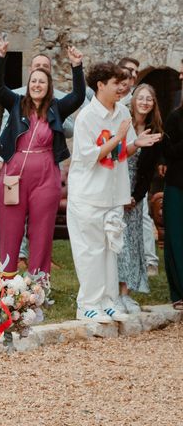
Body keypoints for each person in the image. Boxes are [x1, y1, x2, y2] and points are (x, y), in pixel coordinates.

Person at [67, 62, 161, 324]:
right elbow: (89, 156)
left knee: (111, 248)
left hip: (112, 194)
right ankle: (87, 303)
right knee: (91, 250)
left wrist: (135, 144)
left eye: (123, 83)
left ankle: (108, 300)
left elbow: (121, 152)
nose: (122, 88)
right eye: (115, 83)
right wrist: (119, 137)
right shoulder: (86, 117)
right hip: (88, 195)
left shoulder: (121, 112)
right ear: (100, 85)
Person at [0, 37, 85, 277]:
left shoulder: (56, 107)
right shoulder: (15, 102)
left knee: (41, 230)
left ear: (48, 85)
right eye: (34, 80)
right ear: (28, 83)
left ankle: (37, 285)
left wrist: (77, 67)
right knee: (10, 228)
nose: (37, 84)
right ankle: (7, 284)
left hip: (46, 175)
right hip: (15, 173)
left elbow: (78, 96)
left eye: (42, 81)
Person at [116, 84, 163, 314]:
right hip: (115, 187)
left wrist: (135, 196)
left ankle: (127, 293)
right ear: (133, 100)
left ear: (153, 104)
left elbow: (148, 171)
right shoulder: (122, 123)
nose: (144, 102)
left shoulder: (154, 130)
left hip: (136, 192)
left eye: (149, 99)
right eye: (141, 98)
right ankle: (112, 292)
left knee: (132, 243)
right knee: (116, 243)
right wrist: (121, 194)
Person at [163, 101, 183, 310]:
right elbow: (168, 152)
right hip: (177, 185)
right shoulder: (175, 117)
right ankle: (179, 291)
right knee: (176, 239)